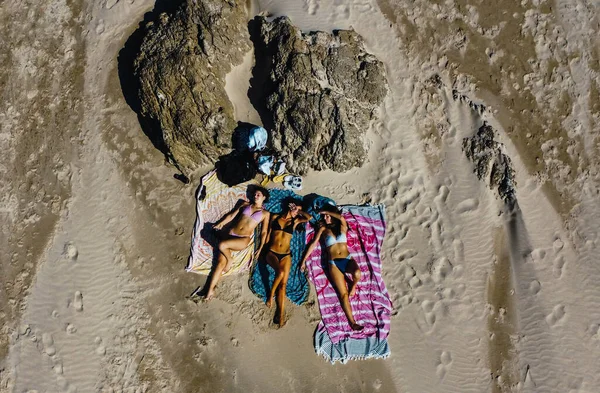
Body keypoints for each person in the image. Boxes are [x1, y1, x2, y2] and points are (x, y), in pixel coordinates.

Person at [301, 206, 364, 331]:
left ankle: (353, 285)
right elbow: (313, 243)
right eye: (324, 216)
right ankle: (352, 322)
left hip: (347, 259)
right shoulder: (323, 229)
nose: (325, 218)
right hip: (333, 263)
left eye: (328, 216)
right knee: (343, 295)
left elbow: (340, 217)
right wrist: (303, 261)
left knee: (357, 273)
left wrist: (326, 211)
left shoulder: (342, 227)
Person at [205, 187, 271, 300]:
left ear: (264, 197)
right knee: (220, 264)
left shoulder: (265, 213)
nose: (255, 196)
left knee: (222, 245)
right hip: (229, 235)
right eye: (254, 194)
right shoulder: (245, 205)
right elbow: (231, 216)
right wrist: (219, 224)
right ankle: (210, 291)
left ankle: (230, 260)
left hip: (242, 239)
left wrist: (260, 248)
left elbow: (264, 232)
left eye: (258, 195)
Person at [263, 199, 311, 327]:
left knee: (283, 285)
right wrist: (262, 248)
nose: (297, 213)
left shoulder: (294, 222)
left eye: (298, 211)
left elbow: (308, 217)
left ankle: (281, 314)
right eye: (296, 209)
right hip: (272, 252)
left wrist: (299, 210)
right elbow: (267, 233)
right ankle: (270, 296)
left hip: (286, 255)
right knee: (280, 273)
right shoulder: (275, 217)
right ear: (290, 206)